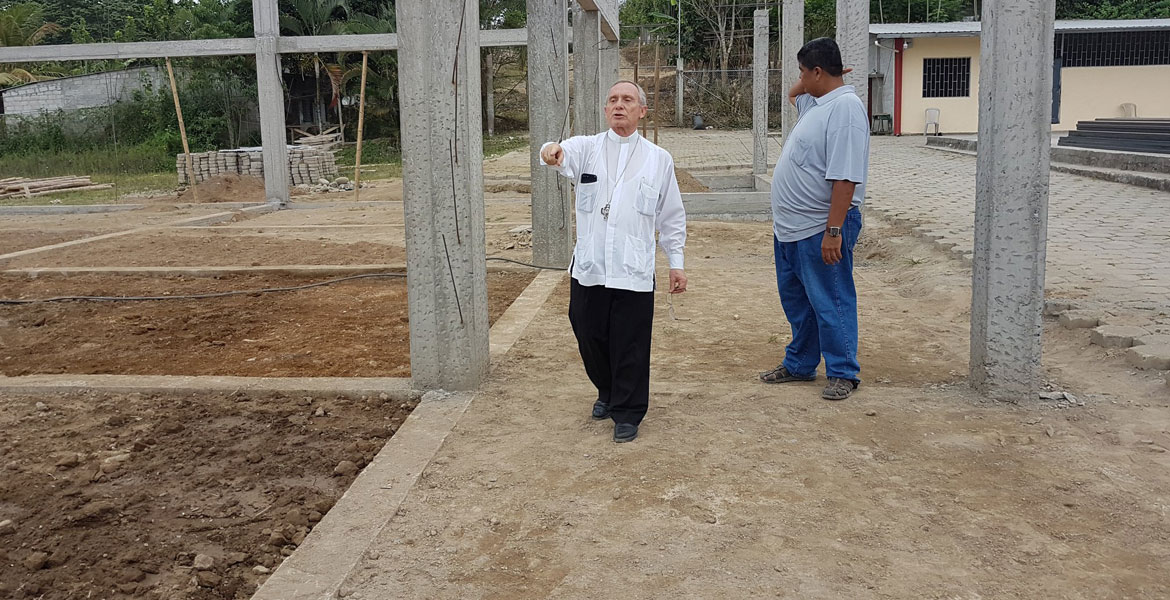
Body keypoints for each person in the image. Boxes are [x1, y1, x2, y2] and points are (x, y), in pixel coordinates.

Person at [539, 80, 687, 443]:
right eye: (613, 100)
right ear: (606, 110)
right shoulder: (587, 148)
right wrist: (551, 151)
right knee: (588, 332)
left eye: (628, 100)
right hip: (591, 266)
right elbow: (558, 152)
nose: (619, 105)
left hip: (632, 267)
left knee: (630, 342)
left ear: (642, 111)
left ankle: (628, 411)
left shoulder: (658, 159)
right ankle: (606, 389)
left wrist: (676, 261)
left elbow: (671, 215)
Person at [759, 37, 869, 401]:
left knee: (831, 299)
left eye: (804, 72)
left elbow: (846, 177)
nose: (800, 79)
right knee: (799, 302)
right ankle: (801, 363)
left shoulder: (845, 109)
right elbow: (795, 93)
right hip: (791, 229)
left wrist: (833, 231)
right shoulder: (817, 104)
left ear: (818, 72)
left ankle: (842, 371)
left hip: (821, 227)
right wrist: (819, 76)